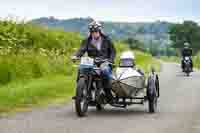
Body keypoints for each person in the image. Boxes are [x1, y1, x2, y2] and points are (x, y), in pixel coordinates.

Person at [71, 21, 116, 102]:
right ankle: (81, 92)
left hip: (105, 62)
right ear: (90, 32)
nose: (94, 34)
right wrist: (76, 56)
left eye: (96, 32)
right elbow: (81, 50)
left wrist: (110, 60)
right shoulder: (86, 41)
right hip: (92, 62)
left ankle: (108, 93)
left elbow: (113, 51)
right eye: (92, 32)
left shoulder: (107, 39)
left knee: (104, 71)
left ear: (99, 31)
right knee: (81, 69)